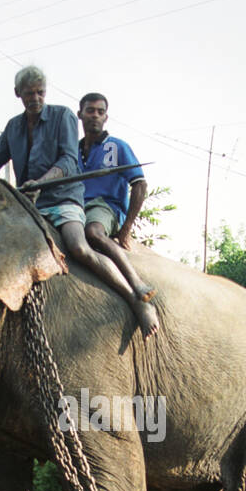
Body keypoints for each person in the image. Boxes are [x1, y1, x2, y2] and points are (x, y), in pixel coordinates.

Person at [0, 66, 159, 338]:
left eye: (40, 93)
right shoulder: (13, 127)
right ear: (18, 94)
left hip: (64, 199)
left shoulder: (63, 117)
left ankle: (134, 295)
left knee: (80, 245)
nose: (36, 99)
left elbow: (67, 160)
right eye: (29, 94)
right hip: (30, 204)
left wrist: (41, 182)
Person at [77, 92, 159, 337]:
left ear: (106, 117)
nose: (95, 115)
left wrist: (126, 228)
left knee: (93, 232)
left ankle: (136, 285)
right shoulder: (73, 149)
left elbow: (140, 184)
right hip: (74, 208)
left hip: (105, 207)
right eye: (90, 110)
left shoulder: (117, 147)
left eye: (100, 112)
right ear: (80, 114)